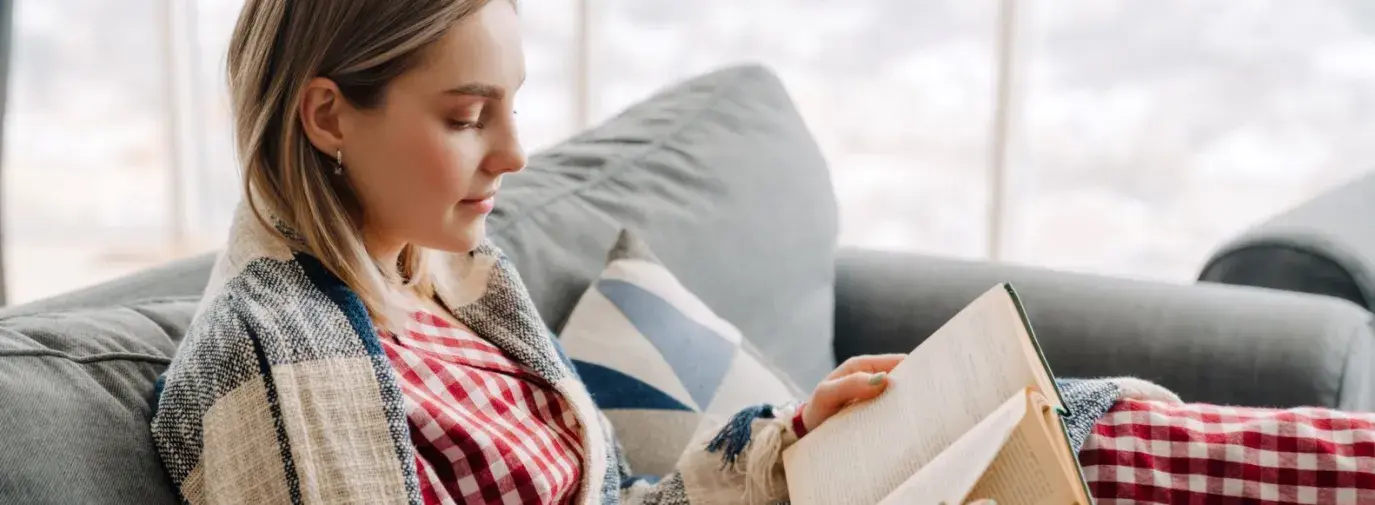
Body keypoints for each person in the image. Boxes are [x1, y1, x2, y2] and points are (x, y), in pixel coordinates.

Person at [148, 0, 1159, 503]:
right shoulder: (268, 360)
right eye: (465, 117)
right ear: (327, 115)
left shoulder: (460, 290)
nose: (512, 152)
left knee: (1088, 427)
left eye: (511, 106)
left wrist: (792, 436)